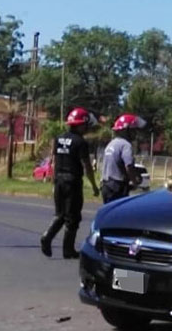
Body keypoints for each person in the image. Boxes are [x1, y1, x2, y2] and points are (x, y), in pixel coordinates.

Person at [41, 108, 100, 258]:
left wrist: (54, 180)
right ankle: (68, 250)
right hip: (72, 182)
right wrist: (94, 185)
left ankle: (47, 236)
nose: (86, 128)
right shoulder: (80, 142)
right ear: (81, 125)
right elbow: (86, 166)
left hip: (59, 180)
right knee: (73, 217)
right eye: (85, 125)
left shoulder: (59, 139)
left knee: (60, 214)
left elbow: (54, 161)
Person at [101, 113, 145, 203]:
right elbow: (128, 166)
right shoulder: (126, 145)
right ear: (126, 130)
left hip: (106, 185)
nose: (135, 134)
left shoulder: (111, 143)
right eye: (133, 130)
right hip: (117, 187)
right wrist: (135, 182)